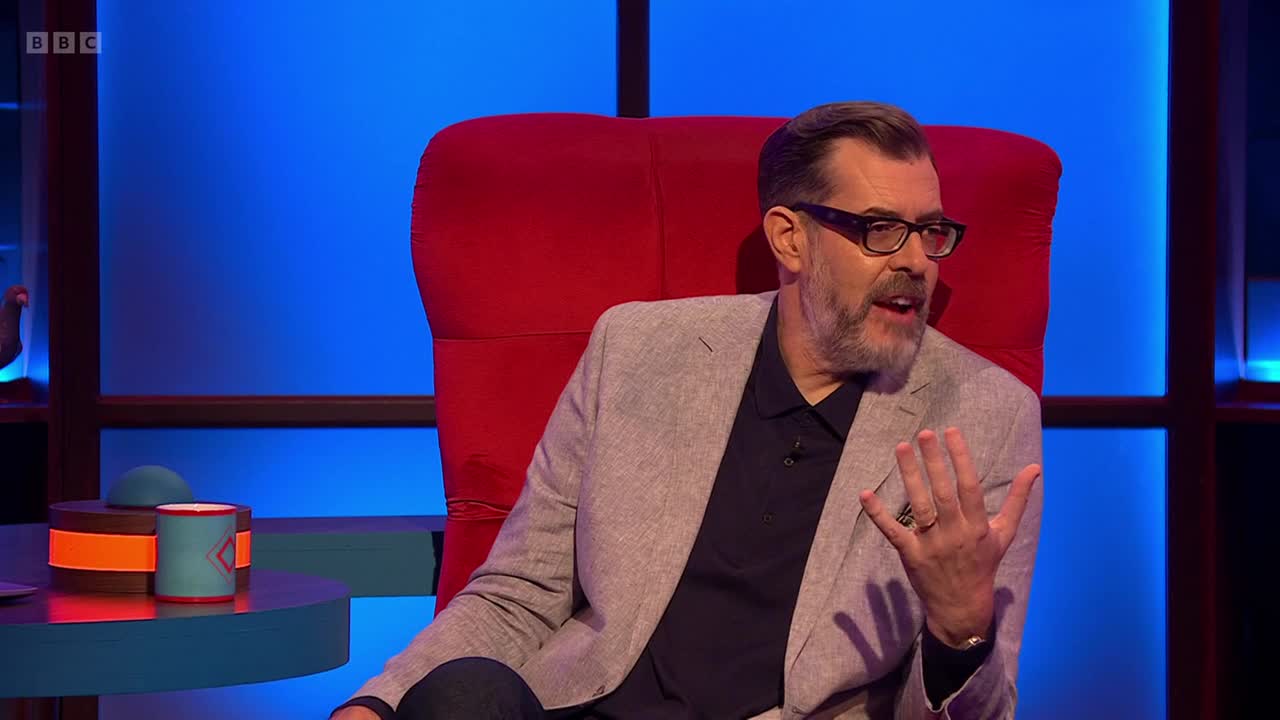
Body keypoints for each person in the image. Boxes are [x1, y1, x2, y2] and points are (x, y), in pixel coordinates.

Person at [332, 101, 1043, 720]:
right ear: (790, 238)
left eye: (930, 231)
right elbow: (521, 591)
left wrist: (960, 632)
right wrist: (376, 702)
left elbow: (979, 711)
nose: (916, 261)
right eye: (880, 229)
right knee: (462, 694)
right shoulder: (637, 349)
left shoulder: (986, 414)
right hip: (586, 706)